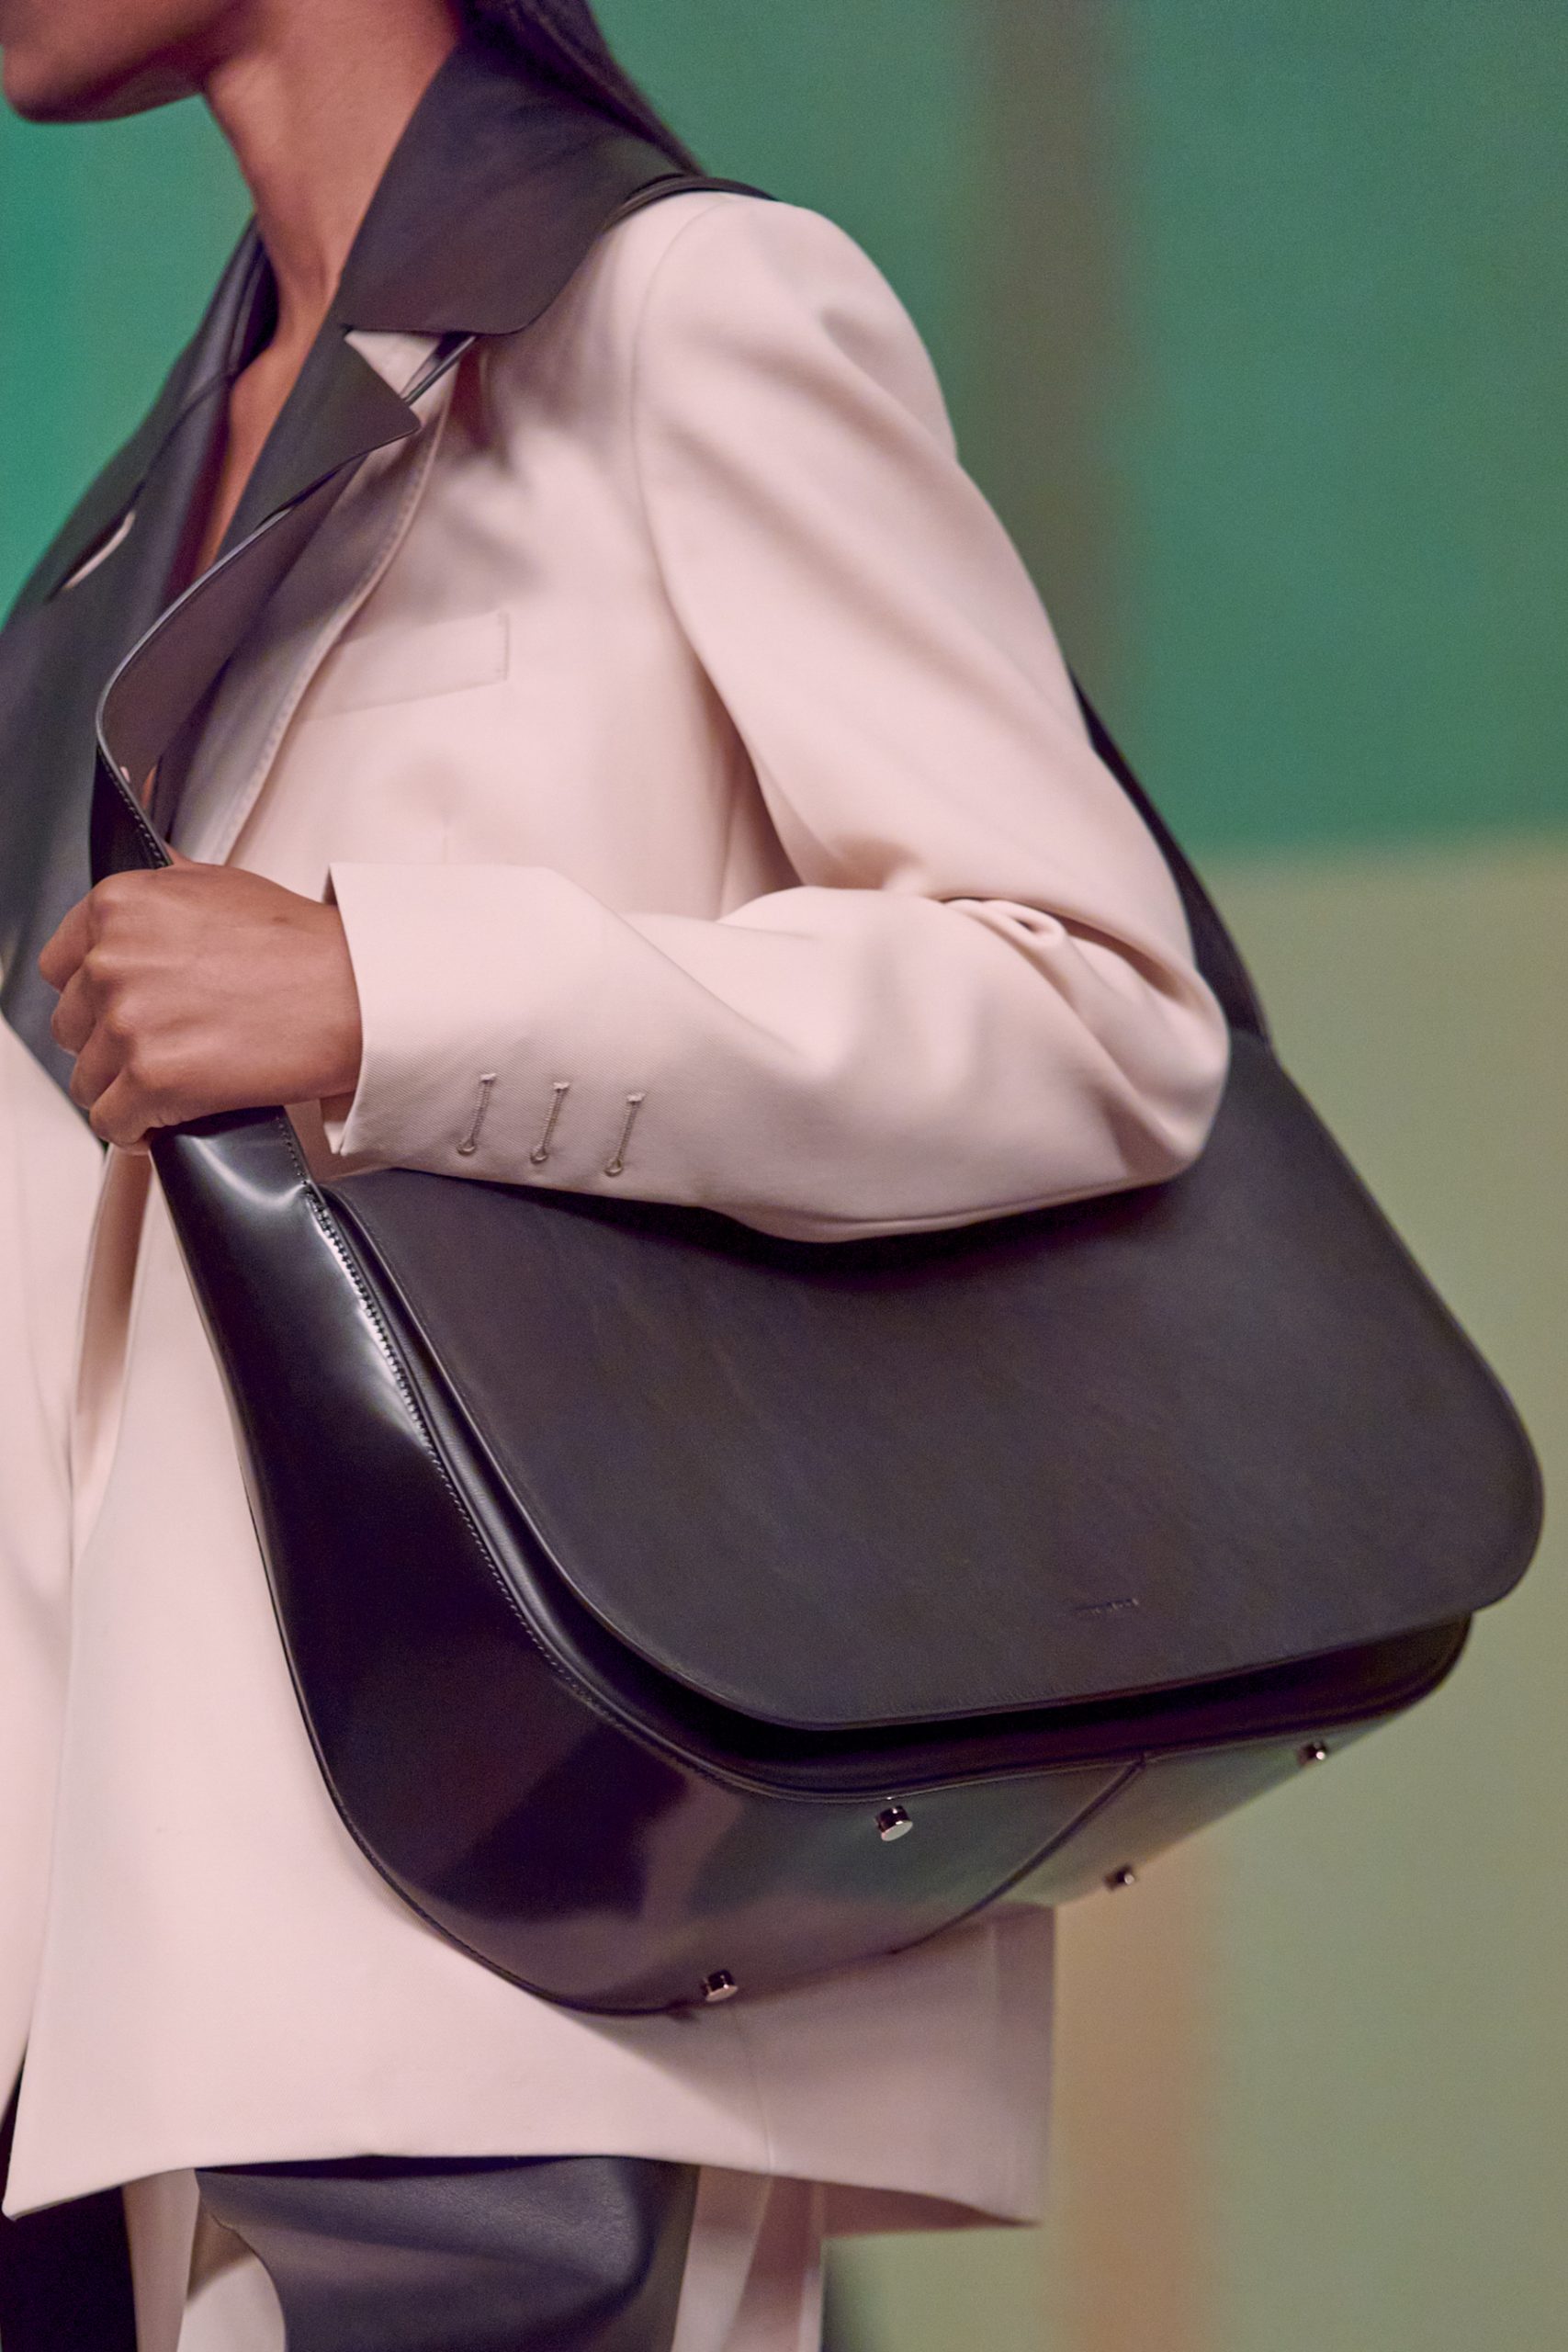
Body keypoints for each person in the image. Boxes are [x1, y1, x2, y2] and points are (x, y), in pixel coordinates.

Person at [0, 1, 1230, 2345]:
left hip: (524, 1924)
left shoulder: (686, 309)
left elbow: (1089, 1004)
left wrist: (385, 986)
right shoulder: (159, 495)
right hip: (139, 1967)